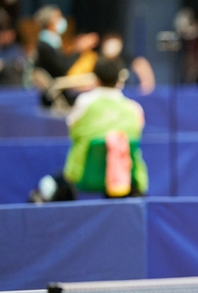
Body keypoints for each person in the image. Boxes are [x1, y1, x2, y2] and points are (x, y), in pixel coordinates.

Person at [28, 56, 148, 202]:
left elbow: (72, 129)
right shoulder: (134, 109)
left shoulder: (84, 102)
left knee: (52, 183)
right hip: (126, 179)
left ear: (96, 79)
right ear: (119, 80)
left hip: (82, 175)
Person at [33, 4, 99, 106]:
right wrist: (79, 49)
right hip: (55, 94)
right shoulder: (44, 45)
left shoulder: (52, 41)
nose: (61, 20)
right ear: (50, 23)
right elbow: (62, 68)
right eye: (58, 17)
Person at [0, 7, 27, 87]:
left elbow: (21, 64)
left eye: (11, 33)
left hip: (16, 86)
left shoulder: (17, 49)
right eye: (5, 33)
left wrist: (4, 65)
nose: (8, 36)